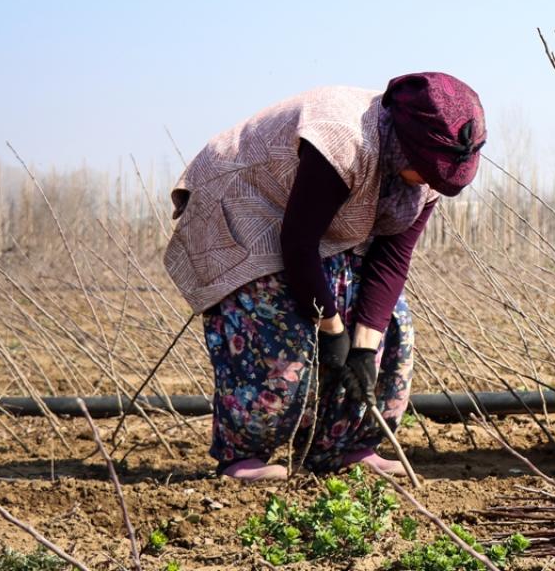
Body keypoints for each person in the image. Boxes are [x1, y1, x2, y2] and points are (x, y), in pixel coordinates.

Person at [165, 72, 486, 482]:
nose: (430, 181)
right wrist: (331, 330)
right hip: (247, 207)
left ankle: (346, 445)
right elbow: (299, 243)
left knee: (393, 323)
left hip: (321, 232)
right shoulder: (342, 140)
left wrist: (364, 349)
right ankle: (242, 455)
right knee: (279, 321)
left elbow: (392, 257)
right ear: (406, 148)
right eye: (426, 171)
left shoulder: (426, 174)